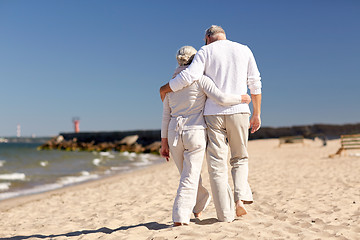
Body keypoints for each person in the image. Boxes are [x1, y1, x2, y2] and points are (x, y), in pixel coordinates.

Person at [160, 25, 262, 222]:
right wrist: (255, 112)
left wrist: (164, 88)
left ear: (207, 38)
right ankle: (240, 198)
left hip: (211, 115)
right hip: (237, 112)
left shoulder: (205, 51)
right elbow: (254, 83)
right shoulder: (244, 49)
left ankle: (224, 215)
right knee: (240, 158)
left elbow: (188, 78)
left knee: (216, 166)